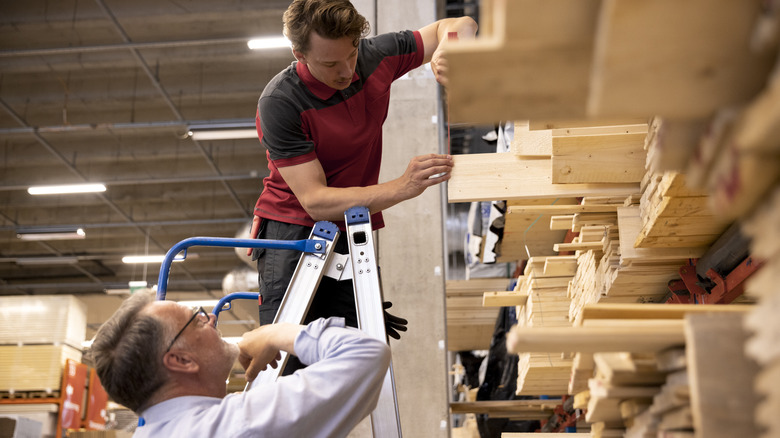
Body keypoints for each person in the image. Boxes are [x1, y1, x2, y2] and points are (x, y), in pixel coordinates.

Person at [248, 0, 478, 354]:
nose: (346, 71)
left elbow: (460, 24)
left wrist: (451, 47)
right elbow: (316, 201)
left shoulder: (373, 57)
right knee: (292, 359)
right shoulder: (281, 102)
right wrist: (403, 186)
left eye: (351, 54)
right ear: (299, 54)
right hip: (294, 228)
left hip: (352, 223)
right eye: (330, 63)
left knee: (356, 356)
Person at [89, 290, 391, 437]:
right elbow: (365, 354)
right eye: (196, 320)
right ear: (181, 360)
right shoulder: (237, 425)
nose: (211, 319)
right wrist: (275, 332)